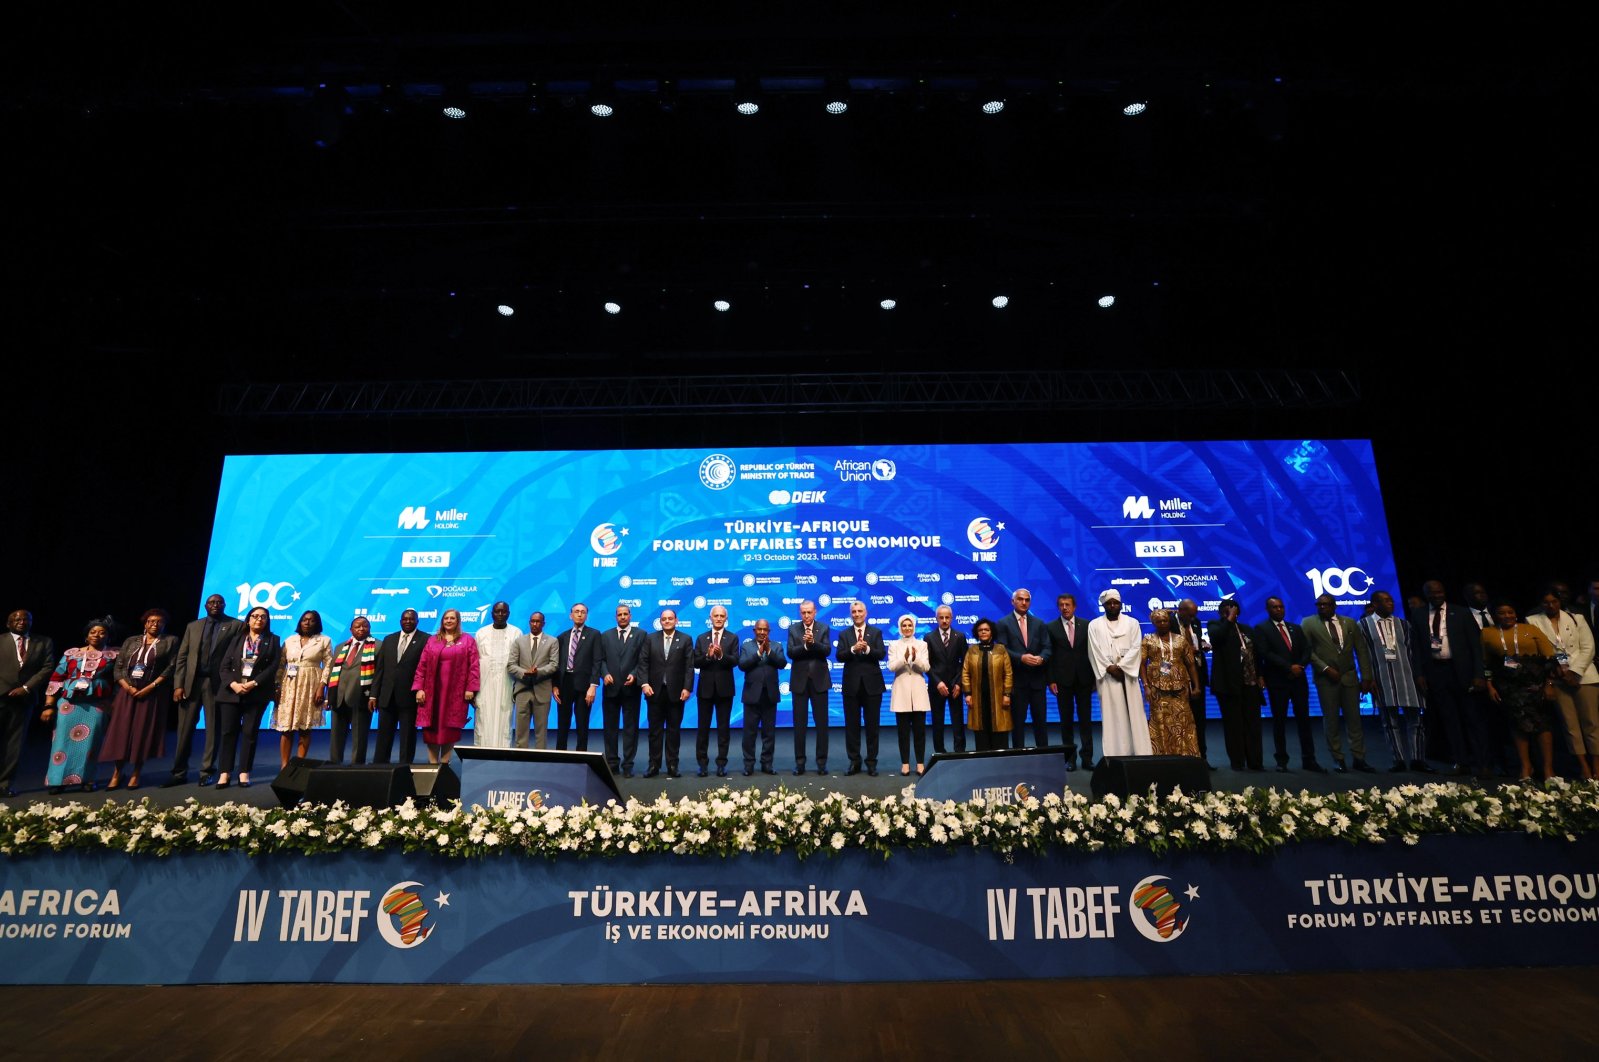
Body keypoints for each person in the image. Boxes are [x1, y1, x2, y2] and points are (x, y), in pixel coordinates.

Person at [1411, 580, 1488, 777]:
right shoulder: (1419, 615)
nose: (1435, 596)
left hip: (1462, 672)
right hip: (1436, 673)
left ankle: (1482, 764)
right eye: (1431, 593)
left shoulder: (1461, 612)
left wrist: (1479, 675)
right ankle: (1460, 762)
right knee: (1450, 720)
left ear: (1444, 592)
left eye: (1438, 592)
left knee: (1472, 719)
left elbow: (1476, 647)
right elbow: (1417, 648)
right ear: (1426, 594)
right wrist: (1419, 673)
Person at [165, 593, 241, 787]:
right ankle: (179, 772)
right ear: (206, 606)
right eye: (211, 602)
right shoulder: (193, 626)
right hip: (191, 683)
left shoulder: (236, 625)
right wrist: (178, 684)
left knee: (213, 730)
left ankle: (207, 772)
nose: (215, 605)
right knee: (184, 730)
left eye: (219, 602)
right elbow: (182, 657)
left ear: (224, 605)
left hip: (217, 684)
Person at [101, 608, 178, 790]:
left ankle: (136, 773)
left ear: (164, 624)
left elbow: (171, 667)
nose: (155, 624)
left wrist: (151, 687)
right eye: (151, 621)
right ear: (145, 624)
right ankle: (117, 773)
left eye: (159, 621)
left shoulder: (170, 641)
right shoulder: (131, 641)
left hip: (152, 693)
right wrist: (128, 687)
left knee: (142, 732)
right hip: (127, 691)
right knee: (122, 732)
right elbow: (119, 667)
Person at [1482, 602, 1559, 781]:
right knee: (1518, 726)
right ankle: (1526, 767)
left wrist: (1549, 684)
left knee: (1543, 726)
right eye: (1502, 613)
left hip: (1536, 684)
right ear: (1495, 616)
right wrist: (1490, 685)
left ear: (1515, 614)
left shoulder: (1530, 629)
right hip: (1510, 687)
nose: (1507, 615)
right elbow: (1486, 663)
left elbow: (1549, 656)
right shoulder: (1487, 633)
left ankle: (1548, 769)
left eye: (1510, 612)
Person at [1527, 591, 1599, 780]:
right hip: (1556, 676)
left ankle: (1597, 767)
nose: (1550, 605)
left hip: (1584, 676)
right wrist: (1554, 669)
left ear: (1560, 602)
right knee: (1570, 725)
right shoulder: (1532, 621)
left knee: (1591, 723)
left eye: (1554, 601)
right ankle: (1584, 767)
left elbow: (1588, 647)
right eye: (1546, 602)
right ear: (1541, 603)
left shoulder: (1577, 619)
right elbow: (1537, 650)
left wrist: (1574, 672)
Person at [40, 618, 117, 793]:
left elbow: (117, 681)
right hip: (69, 705)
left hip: (97, 705)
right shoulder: (71, 653)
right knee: (61, 742)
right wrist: (48, 705)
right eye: (93, 632)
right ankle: (57, 781)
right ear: (86, 636)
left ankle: (87, 779)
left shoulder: (115, 654)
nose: (97, 635)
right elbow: (57, 678)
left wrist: (114, 705)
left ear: (109, 636)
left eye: (102, 632)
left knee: (91, 743)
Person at [1302, 593, 1375, 773]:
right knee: (1331, 720)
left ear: (1334, 606)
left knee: (1354, 720)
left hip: (1349, 677)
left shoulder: (1349, 623)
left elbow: (1361, 651)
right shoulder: (1309, 623)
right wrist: (1325, 668)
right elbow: (1307, 651)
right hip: (1326, 678)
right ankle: (1338, 758)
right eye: (1319, 605)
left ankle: (1359, 757)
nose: (1322, 607)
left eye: (1325, 605)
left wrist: (1366, 676)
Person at [1358, 590, 1430, 772]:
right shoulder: (1363, 625)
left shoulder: (1404, 624)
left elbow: (1413, 652)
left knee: (1416, 720)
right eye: (1385, 601)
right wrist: (1368, 678)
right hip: (1381, 678)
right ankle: (1397, 760)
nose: (1391, 603)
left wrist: (1420, 674)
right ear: (1374, 605)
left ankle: (1417, 759)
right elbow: (1363, 655)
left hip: (1408, 677)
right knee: (1390, 722)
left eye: (1391, 600)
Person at [214, 607, 282, 789]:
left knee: (250, 733)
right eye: (255, 616)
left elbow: (273, 666)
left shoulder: (273, 640)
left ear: (267, 621)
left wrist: (254, 683)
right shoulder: (236, 639)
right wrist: (234, 685)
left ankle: (244, 772)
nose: (258, 619)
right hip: (231, 692)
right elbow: (224, 667)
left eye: (263, 617)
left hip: (257, 693)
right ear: (248, 619)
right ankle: (224, 773)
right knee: (228, 733)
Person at [1253, 597, 1322, 772]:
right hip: (1278, 681)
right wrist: (1288, 667)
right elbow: (1265, 653)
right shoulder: (1262, 629)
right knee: (1279, 721)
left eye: (1281, 607)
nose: (1278, 610)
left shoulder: (1296, 628)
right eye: (1274, 607)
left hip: (1299, 680)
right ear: (1268, 609)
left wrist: (1300, 666)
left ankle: (1309, 759)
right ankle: (1281, 761)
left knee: (1304, 721)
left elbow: (1307, 650)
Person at [1, 609, 57, 797]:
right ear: (9, 623)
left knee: (14, 744)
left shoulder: (43, 642)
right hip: (1, 696)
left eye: (26, 619)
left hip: (24, 699)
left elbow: (48, 667)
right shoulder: (1, 640)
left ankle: (5, 784)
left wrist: (26, 688)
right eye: (17, 618)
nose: (21, 621)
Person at [411, 608, 479, 764]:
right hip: (432, 693)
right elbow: (422, 665)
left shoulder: (468, 640)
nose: (449, 621)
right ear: (442, 621)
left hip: (455, 693)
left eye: (452, 618)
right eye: (446, 618)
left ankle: (445, 763)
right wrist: (419, 688)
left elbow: (474, 666)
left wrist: (471, 688)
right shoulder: (433, 640)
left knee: (450, 729)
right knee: (431, 729)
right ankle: (433, 764)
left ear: (458, 621)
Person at [1088, 590, 1150, 757]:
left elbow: (1136, 647)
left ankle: (1140, 752)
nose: (1113, 605)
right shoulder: (1094, 625)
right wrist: (1110, 668)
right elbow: (1094, 651)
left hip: (1128, 676)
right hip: (1108, 677)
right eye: (1109, 603)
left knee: (1135, 713)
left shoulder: (1132, 623)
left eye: (1116, 602)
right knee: (1112, 715)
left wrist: (1122, 667)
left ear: (1121, 604)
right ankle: (1116, 754)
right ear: (1103, 605)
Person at [637, 609, 694, 778]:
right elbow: (643, 663)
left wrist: (687, 688)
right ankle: (653, 765)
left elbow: (689, 666)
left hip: (677, 693)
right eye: (664, 619)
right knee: (654, 731)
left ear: (676, 620)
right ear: (660, 621)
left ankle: (672, 765)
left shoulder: (685, 639)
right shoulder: (650, 638)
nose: (667, 621)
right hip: (654, 692)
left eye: (670, 618)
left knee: (673, 730)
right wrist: (644, 684)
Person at [995, 588, 1052, 748]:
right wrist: (1021, 658)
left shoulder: (1039, 623)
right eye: (1020, 599)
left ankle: (1043, 754)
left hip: (1037, 682)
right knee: (1017, 724)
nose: (1024, 602)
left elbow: (1047, 647)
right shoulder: (1003, 623)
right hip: (1016, 682)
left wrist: (1041, 658)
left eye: (1027, 600)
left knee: (1040, 722)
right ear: (1013, 602)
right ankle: (1018, 755)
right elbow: (1001, 649)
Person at [1140, 608, 1201, 757]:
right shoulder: (1148, 639)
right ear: (1154, 623)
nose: (1162, 624)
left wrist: (1196, 686)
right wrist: (1146, 686)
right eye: (1158, 621)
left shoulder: (1180, 639)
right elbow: (1141, 664)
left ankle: (1186, 754)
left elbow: (1191, 664)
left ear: (1169, 621)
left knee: (1183, 720)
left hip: (1180, 687)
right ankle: (1162, 755)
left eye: (1165, 621)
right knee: (1159, 721)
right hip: (1156, 688)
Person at [836, 600, 886, 776]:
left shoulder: (875, 632)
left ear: (865, 613)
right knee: (852, 727)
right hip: (851, 687)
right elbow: (839, 656)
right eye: (854, 611)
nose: (857, 614)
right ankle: (854, 761)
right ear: (851, 614)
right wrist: (852, 649)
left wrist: (866, 650)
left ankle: (871, 762)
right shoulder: (844, 634)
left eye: (859, 611)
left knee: (873, 727)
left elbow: (881, 654)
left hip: (873, 687)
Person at [372, 608, 429, 764]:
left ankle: (405, 768)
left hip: (410, 697)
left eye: (411, 619)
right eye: (405, 619)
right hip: (387, 696)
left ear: (417, 621)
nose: (408, 621)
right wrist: (373, 694)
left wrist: (422, 690)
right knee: (383, 735)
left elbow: (427, 669)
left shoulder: (426, 639)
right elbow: (380, 669)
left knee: (407, 737)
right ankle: (380, 767)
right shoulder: (389, 639)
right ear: (400, 621)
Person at [275, 610, 330, 767]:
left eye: (311, 620)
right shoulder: (290, 640)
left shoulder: (324, 640)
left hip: (310, 685)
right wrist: (277, 685)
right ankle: (284, 765)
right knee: (286, 728)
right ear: (300, 622)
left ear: (317, 623)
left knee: (305, 727)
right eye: (304, 620)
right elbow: (280, 664)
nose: (307, 622)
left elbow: (328, 665)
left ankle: (299, 764)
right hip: (288, 685)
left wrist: (321, 687)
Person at [595, 604, 645, 776]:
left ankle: (628, 765)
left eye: (625, 614)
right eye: (619, 614)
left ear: (630, 616)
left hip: (631, 690)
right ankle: (612, 764)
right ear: (615, 617)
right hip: (610, 689)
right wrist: (605, 674)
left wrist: (635, 674)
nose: (623, 617)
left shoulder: (640, 634)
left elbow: (643, 660)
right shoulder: (606, 635)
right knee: (610, 728)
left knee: (631, 728)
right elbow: (600, 660)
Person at [1047, 594, 1094, 769]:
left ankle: (1087, 758)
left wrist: (1095, 678)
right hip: (1061, 681)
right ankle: (1070, 759)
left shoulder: (1087, 625)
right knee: (1066, 721)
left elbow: (1093, 653)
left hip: (1084, 679)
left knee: (1085, 720)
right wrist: (1050, 679)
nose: (1064, 607)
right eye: (1061, 605)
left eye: (1067, 605)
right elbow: (1049, 655)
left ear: (1074, 607)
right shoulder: (1051, 627)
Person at [693, 606, 740, 777]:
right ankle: (702, 765)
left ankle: (721, 764)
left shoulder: (732, 638)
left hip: (725, 690)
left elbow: (735, 660)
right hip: (705, 690)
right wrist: (708, 656)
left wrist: (720, 655)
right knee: (703, 729)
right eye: (716, 616)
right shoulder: (701, 638)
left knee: (723, 729)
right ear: (710, 618)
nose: (719, 618)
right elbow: (695, 662)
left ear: (726, 618)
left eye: (722, 616)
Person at [786, 599, 831, 775]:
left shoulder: (823, 628)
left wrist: (813, 643)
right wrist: (806, 645)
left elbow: (826, 651)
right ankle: (800, 763)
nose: (806, 615)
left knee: (822, 724)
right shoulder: (793, 629)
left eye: (809, 612)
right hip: (799, 682)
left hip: (819, 681)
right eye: (803, 612)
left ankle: (821, 763)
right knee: (799, 725)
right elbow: (791, 652)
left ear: (815, 612)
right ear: (800, 613)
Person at [326, 615, 378, 765]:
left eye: (365, 626)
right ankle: (335, 765)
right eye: (357, 626)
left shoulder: (378, 646)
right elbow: (332, 672)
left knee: (359, 737)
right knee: (336, 736)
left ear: (369, 628)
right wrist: (328, 696)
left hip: (361, 697)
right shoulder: (340, 646)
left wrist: (374, 696)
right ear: (351, 629)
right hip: (339, 697)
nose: (361, 629)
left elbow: (379, 674)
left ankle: (357, 768)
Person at [738, 619, 786, 776]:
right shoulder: (746, 646)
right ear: (754, 630)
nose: (762, 632)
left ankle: (767, 763)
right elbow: (743, 665)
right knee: (749, 733)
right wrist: (759, 653)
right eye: (759, 629)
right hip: (752, 695)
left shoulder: (777, 646)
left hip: (770, 695)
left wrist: (769, 652)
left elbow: (782, 663)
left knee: (769, 733)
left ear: (769, 631)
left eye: (765, 629)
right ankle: (749, 764)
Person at [887, 614, 931, 775]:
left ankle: (920, 763)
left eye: (910, 625)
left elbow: (925, 667)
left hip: (918, 692)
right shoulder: (894, 644)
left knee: (920, 731)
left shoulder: (922, 644)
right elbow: (891, 667)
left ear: (914, 627)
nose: (907, 628)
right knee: (903, 732)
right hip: (901, 692)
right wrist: (904, 659)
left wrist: (916, 657)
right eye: (904, 626)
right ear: (900, 627)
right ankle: (905, 763)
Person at [506, 611, 558, 749]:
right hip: (522, 689)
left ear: (543, 624)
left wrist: (538, 672)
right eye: (532, 621)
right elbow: (511, 665)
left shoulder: (552, 641)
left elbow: (554, 665)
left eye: (538, 621)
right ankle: (521, 756)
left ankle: (540, 758)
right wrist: (525, 673)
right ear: (529, 622)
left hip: (542, 689)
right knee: (521, 730)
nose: (535, 624)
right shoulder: (519, 641)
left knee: (541, 731)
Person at [552, 603, 600, 752]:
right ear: (570, 615)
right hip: (564, 683)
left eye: (583, 612)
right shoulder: (562, 637)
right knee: (563, 722)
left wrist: (593, 685)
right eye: (576, 612)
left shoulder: (594, 634)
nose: (580, 614)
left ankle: (581, 754)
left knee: (582, 722)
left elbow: (597, 661)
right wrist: (554, 685)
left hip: (585, 685)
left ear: (586, 615)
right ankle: (560, 754)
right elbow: (556, 663)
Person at [962, 619, 1012, 751]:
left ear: (992, 632)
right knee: (981, 729)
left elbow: (1008, 673)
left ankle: (1001, 762)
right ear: (976, 633)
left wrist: (1007, 694)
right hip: (978, 699)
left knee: (999, 729)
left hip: (998, 698)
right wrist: (967, 694)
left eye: (986, 630)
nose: (983, 632)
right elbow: (965, 673)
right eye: (980, 630)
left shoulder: (1001, 650)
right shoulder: (972, 650)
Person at [925, 605, 968, 757]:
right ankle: (940, 751)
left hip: (955, 685)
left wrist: (958, 683)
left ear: (952, 618)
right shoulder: (929, 637)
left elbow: (965, 663)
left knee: (958, 720)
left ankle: (960, 751)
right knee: (937, 720)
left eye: (947, 617)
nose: (944, 620)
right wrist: (937, 682)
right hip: (937, 686)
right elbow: (926, 664)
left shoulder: (960, 636)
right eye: (941, 617)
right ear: (936, 618)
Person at [473, 601, 517, 748]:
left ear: (508, 614)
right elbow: (474, 663)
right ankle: (481, 752)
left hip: (507, 683)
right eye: (497, 611)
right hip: (484, 684)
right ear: (491, 613)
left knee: (505, 718)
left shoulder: (516, 633)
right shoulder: (481, 633)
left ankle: (503, 752)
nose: (500, 614)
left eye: (503, 612)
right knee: (483, 717)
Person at [1175, 599, 1211, 765]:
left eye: (1194, 615)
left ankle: (1202, 757)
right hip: (1178, 678)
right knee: (1180, 719)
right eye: (1189, 615)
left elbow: (1196, 639)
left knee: (1199, 719)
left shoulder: (1195, 623)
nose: (1192, 618)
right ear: (1180, 611)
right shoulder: (1169, 624)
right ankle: (1181, 757)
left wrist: (1202, 644)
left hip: (1198, 675)